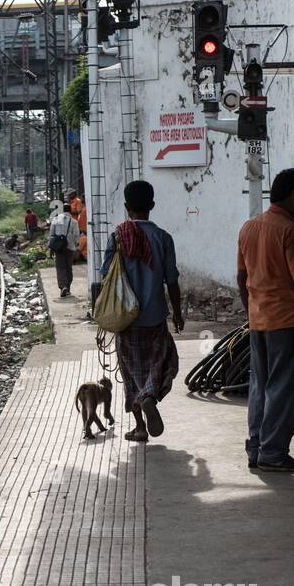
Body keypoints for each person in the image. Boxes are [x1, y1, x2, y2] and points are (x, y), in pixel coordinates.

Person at [236, 168, 294, 472]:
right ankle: (273, 453)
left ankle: (256, 448)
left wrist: (251, 306)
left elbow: (241, 276)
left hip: (258, 321)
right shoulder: (290, 231)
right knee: (284, 388)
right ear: (292, 195)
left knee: (260, 386)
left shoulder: (249, 227)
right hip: (287, 322)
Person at [100, 181, 182, 442]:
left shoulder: (117, 237)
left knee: (130, 372)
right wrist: (177, 313)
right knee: (162, 363)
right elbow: (172, 280)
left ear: (127, 208)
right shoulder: (163, 238)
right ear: (152, 206)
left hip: (126, 319)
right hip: (155, 317)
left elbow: (105, 276)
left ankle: (140, 427)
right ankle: (150, 396)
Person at [48, 205, 78, 298]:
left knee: (60, 268)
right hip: (70, 247)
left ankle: (63, 286)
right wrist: (77, 247)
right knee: (69, 267)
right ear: (70, 211)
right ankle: (68, 287)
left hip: (58, 248)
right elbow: (76, 236)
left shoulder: (55, 220)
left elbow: (51, 235)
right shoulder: (74, 221)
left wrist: (51, 248)